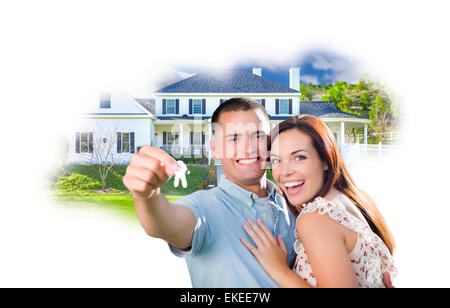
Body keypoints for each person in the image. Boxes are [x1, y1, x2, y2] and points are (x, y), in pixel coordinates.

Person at [123, 98, 297, 287]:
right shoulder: (203, 207)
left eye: (258, 136)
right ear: (215, 148)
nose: (249, 148)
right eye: (234, 138)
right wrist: (147, 196)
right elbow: (166, 224)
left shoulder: (292, 203)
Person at [240, 114, 397, 288]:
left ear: (325, 160)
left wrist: (278, 270)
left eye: (299, 157)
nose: (284, 172)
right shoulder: (351, 201)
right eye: (276, 160)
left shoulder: (317, 218)